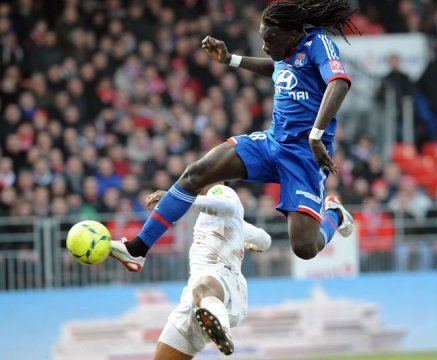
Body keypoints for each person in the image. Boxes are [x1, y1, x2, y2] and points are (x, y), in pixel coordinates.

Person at [110, 0, 355, 272]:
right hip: (272, 143)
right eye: (263, 38)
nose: (264, 46)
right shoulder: (285, 54)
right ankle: (137, 250)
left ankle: (334, 214)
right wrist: (230, 60)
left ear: (292, 33)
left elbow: (339, 82)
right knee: (195, 174)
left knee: (304, 249)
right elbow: (275, 69)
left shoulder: (318, 44)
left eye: (270, 39)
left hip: (304, 155)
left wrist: (315, 136)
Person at [145, 184, 271, 359]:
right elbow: (265, 239)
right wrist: (253, 244)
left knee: (203, 287)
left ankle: (221, 328)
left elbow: (227, 206)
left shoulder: (219, 190)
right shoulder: (235, 224)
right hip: (196, 300)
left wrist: (178, 199)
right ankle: (213, 322)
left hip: (221, 282)